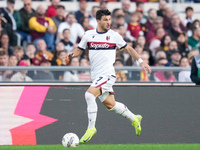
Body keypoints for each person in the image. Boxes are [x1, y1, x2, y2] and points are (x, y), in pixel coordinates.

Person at [67, 9, 151, 144]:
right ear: (98, 21)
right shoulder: (89, 35)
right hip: (96, 76)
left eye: (109, 19)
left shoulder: (113, 35)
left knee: (89, 95)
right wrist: (73, 54)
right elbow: (79, 49)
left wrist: (141, 61)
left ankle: (91, 128)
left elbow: (128, 48)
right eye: (105, 20)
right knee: (110, 105)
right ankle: (134, 118)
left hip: (107, 75)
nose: (108, 22)